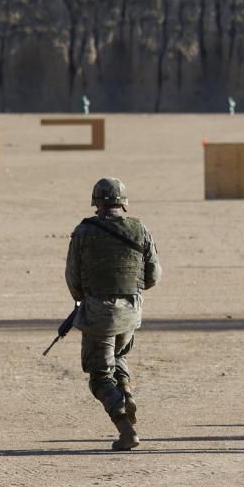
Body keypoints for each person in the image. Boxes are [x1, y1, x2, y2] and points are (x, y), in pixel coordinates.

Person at [64, 178, 161, 451]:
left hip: (99, 314)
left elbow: (73, 277)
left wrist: (86, 298)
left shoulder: (83, 231)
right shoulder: (139, 229)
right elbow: (153, 274)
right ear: (123, 203)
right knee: (119, 357)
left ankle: (126, 430)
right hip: (131, 311)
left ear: (97, 203)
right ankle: (126, 391)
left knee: (99, 377)